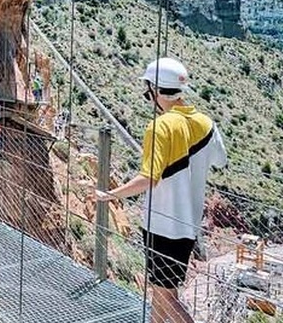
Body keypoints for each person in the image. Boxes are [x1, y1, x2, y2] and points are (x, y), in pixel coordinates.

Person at [92, 58, 226, 323]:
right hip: (188, 227)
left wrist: (110, 195)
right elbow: (221, 161)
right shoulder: (207, 124)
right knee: (161, 292)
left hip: (162, 227)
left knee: (167, 298)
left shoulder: (160, 127)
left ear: (154, 90)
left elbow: (148, 179)